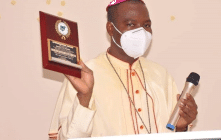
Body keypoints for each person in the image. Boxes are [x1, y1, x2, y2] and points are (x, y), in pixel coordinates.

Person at [48, 0, 198, 139]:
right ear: (111, 29)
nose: (141, 32)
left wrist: (181, 127)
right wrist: (84, 97)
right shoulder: (84, 74)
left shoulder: (161, 75)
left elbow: (173, 132)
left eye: (146, 25)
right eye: (131, 24)